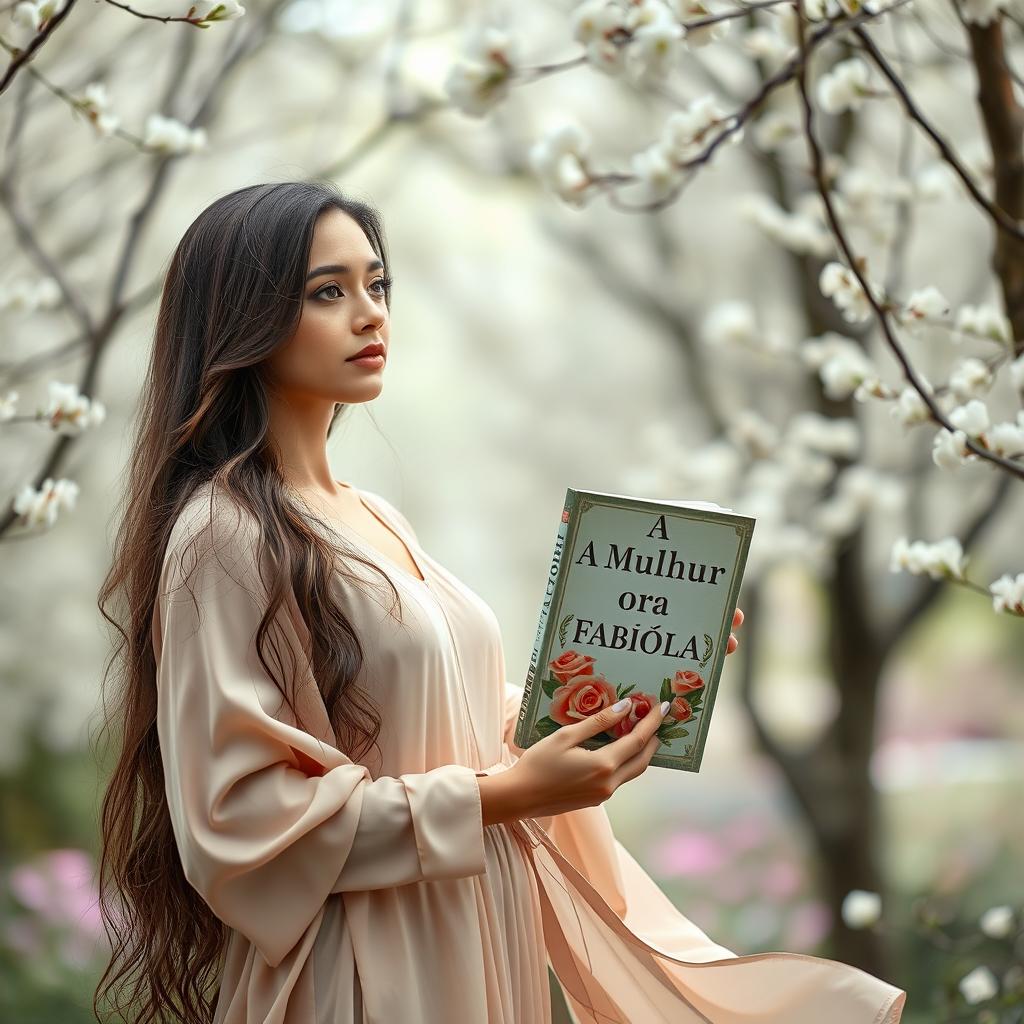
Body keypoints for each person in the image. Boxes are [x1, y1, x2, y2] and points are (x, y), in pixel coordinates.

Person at [94, 180, 906, 1024]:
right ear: (242, 319)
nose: (370, 314)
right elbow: (239, 823)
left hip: (477, 933)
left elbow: (461, 723)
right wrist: (506, 798)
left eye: (378, 285)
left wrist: (630, 685)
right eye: (327, 292)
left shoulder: (369, 514)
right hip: (370, 970)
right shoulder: (223, 533)